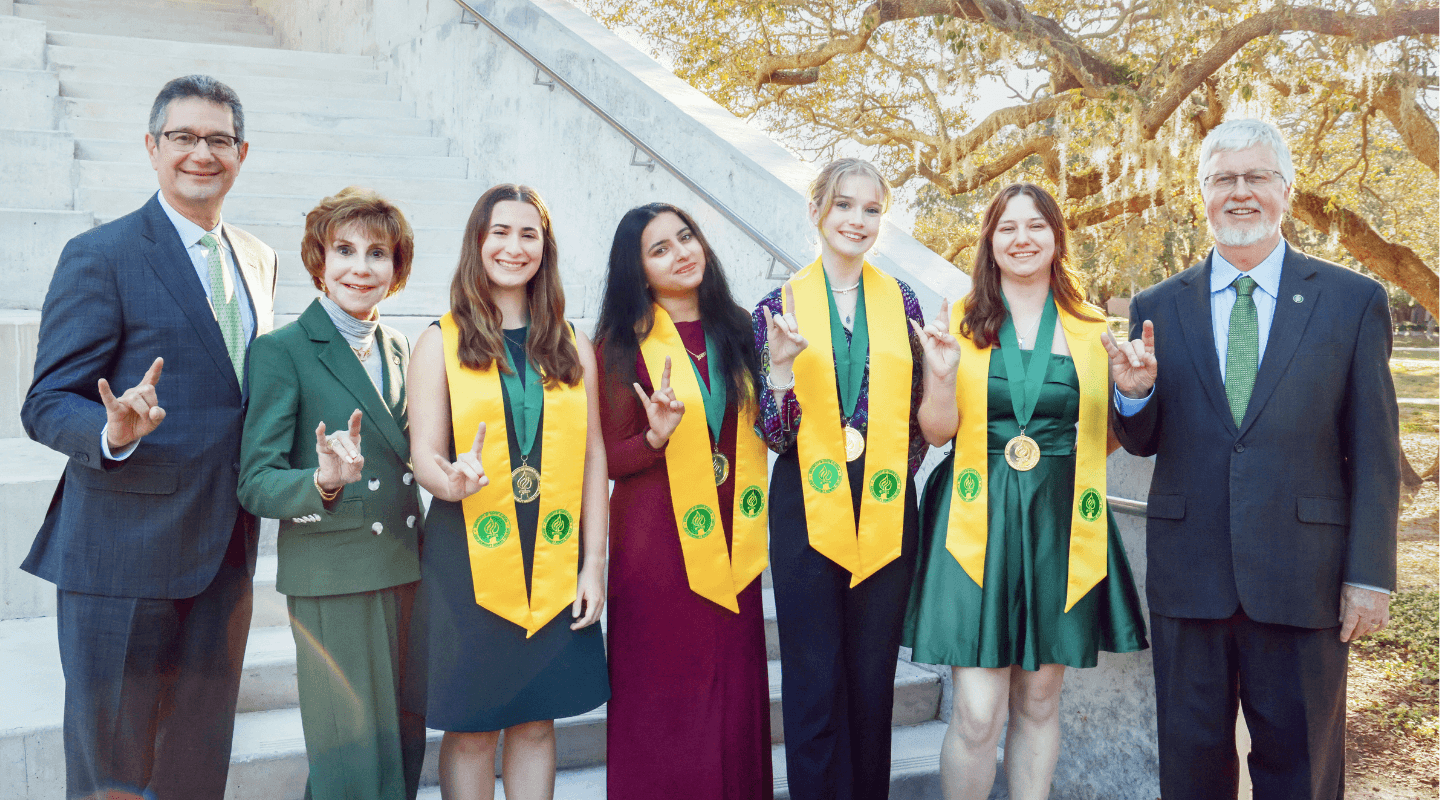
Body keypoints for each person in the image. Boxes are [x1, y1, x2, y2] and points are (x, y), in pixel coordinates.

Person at [1107, 118, 1399, 799]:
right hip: (1191, 579)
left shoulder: (1352, 301)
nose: (1240, 192)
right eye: (1223, 179)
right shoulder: (1157, 307)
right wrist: (1134, 396)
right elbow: (1145, 441)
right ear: (1202, 195)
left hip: (1306, 580)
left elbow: (1376, 451)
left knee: (1301, 773)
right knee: (1191, 773)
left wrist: (1370, 576)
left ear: (1286, 190)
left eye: (1256, 176)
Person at [19, 75, 276, 799]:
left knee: (196, 769)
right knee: (114, 772)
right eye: (183, 137)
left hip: (224, 554)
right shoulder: (100, 253)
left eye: (219, 139)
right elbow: (45, 401)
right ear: (152, 147)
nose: (202, 152)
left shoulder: (258, 258)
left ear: (242, 153)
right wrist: (110, 431)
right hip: (121, 558)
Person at [903, 183, 1148, 800]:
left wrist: (1133, 393)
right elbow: (936, 433)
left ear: (1057, 238)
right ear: (990, 240)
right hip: (973, 518)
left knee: (1039, 699)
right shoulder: (957, 321)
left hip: (1056, 523)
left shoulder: (1094, 330)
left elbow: (1104, 439)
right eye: (1007, 227)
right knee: (977, 709)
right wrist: (940, 377)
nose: (1022, 239)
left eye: (1036, 226)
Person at [407, 184, 609, 800]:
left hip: (554, 552)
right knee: (471, 729)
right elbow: (424, 455)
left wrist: (593, 566)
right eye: (500, 232)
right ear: (477, 240)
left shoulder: (573, 344)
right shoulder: (439, 341)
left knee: (537, 722)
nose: (514, 247)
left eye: (529, 234)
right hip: (468, 555)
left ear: (545, 249)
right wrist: (449, 480)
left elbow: (593, 458)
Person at [753, 158, 936, 800]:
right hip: (806, 504)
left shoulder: (902, 302)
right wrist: (780, 373)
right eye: (844, 205)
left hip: (883, 499)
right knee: (812, 679)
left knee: (873, 678)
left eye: (872, 209)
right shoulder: (777, 307)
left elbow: (918, 414)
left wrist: (888, 474)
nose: (858, 220)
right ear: (817, 211)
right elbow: (773, 435)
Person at [237, 187, 426, 800]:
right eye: (344, 250)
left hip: (406, 567)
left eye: (378, 253)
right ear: (318, 260)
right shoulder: (282, 350)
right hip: (335, 573)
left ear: (396, 268)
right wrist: (320, 481)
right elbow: (255, 481)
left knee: (401, 748)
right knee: (352, 760)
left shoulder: (400, 346)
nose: (360, 268)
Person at [594, 203, 772, 799]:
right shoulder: (622, 345)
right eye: (660, 249)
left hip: (735, 538)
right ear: (639, 271)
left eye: (686, 237)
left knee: (733, 698)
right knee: (664, 700)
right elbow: (607, 458)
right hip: (657, 550)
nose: (681, 253)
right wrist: (654, 438)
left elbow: (773, 426)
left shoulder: (741, 329)